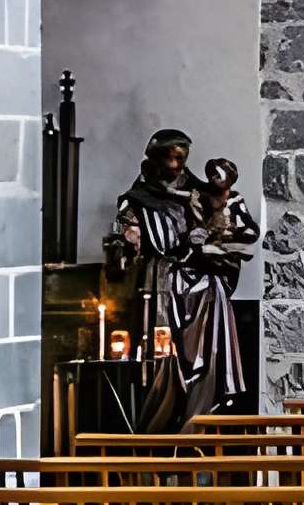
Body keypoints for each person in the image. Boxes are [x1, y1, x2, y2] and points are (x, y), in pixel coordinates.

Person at [104, 130, 258, 431]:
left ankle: (199, 432)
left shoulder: (203, 194)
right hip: (162, 286)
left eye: (181, 158)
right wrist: (128, 241)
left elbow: (236, 235)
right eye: (170, 157)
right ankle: (163, 440)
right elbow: (123, 242)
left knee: (210, 360)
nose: (176, 165)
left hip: (205, 289)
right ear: (154, 159)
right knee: (162, 365)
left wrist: (221, 241)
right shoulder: (136, 200)